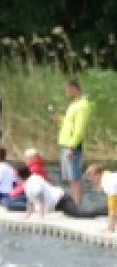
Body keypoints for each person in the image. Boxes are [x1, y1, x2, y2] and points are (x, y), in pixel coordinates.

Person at [58, 79, 92, 207]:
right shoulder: (73, 104)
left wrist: (73, 146)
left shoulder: (82, 105)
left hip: (72, 146)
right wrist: (61, 120)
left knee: (75, 177)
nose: (66, 92)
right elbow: (70, 124)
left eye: (67, 90)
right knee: (70, 178)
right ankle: (73, 204)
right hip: (65, 143)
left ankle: (78, 205)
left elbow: (80, 128)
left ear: (74, 88)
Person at [16, 165, 88, 218]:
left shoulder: (33, 181)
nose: (16, 177)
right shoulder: (26, 183)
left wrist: (41, 216)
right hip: (57, 204)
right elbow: (30, 201)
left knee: (80, 215)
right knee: (74, 214)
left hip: (62, 200)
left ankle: (99, 211)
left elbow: (41, 198)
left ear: (20, 175)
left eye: (16, 175)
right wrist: (27, 215)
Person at [85, 164, 117, 233]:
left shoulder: (108, 182)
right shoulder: (108, 176)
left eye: (91, 176)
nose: (90, 180)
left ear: (98, 175)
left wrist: (110, 229)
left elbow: (113, 208)